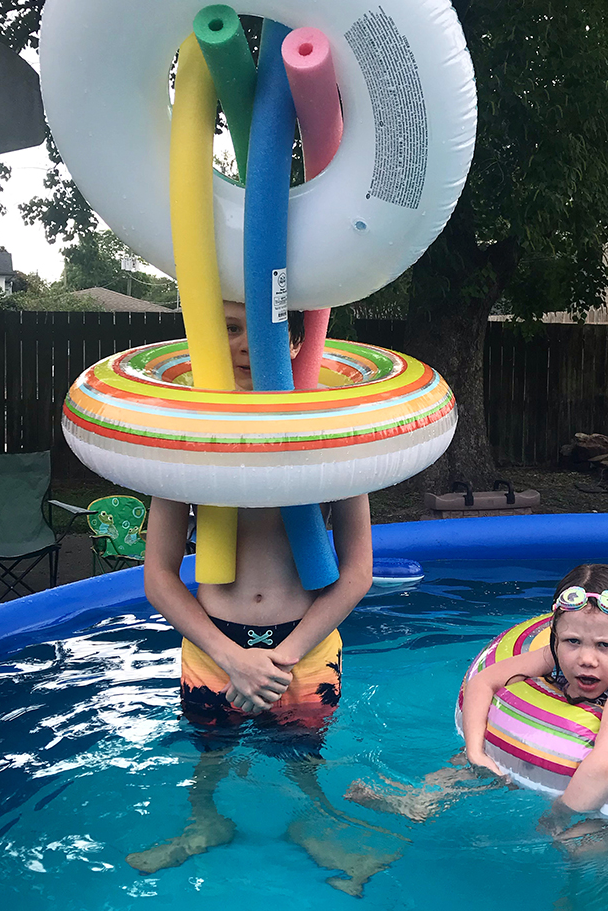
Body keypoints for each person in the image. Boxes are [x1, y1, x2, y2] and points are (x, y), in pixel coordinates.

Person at [128, 303, 395, 894]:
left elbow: (356, 573)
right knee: (210, 753)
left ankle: (313, 824)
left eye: (271, 327)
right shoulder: (185, 445)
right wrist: (232, 657)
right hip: (213, 644)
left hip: (306, 641)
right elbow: (159, 579)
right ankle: (206, 821)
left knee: (304, 756)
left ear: (299, 340)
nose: (249, 344)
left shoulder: (334, 440)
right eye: (228, 326)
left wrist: (282, 657)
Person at [347, 564, 608, 848]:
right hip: (547, 764)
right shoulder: (555, 658)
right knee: (467, 764)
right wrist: (476, 753)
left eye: (605, 646)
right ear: (555, 638)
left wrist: (559, 813)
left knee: (579, 851)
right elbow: (484, 681)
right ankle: (418, 802)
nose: (586, 658)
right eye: (572, 641)